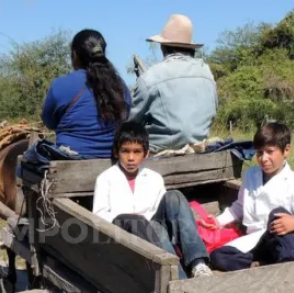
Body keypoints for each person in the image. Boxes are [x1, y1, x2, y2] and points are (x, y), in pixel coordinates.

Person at [92, 121, 212, 278]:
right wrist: (128, 219)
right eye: (125, 151)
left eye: (137, 152)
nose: (130, 158)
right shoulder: (106, 178)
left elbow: (162, 213)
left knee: (174, 196)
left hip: (156, 233)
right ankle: (177, 278)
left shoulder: (154, 178)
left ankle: (198, 264)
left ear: (146, 153)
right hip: (126, 237)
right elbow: (99, 217)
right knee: (144, 225)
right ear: (116, 152)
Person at [204, 122, 294, 272]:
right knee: (218, 256)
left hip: (283, 243)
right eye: (260, 153)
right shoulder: (251, 175)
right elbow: (240, 206)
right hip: (258, 242)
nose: (264, 158)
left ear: (286, 150)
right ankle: (262, 266)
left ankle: (289, 267)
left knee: (278, 214)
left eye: (270, 151)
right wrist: (218, 221)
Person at [128, 14, 218, 153]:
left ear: (163, 47)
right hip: (201, 149)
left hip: (158, 154)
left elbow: (132, 125)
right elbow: (213, 112)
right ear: (190, 48)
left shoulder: (150, 78)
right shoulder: (207, 74)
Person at [41, 29, 132, 158]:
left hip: (70, 159)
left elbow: (49, 121)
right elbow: (125, 117)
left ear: (75, 55)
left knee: (24, 165)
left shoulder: (60, 85)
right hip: (113, 159)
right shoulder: (121, 86)